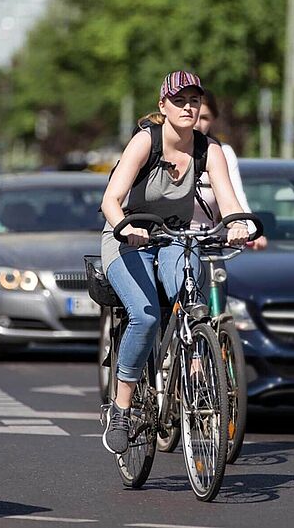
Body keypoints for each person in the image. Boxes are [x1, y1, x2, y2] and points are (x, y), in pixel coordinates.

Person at [99, 71, 249, 454]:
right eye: (179, 100)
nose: (188, 107)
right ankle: (121, 406)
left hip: (173, 239)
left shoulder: (208, 149)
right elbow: (110, 201)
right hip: (127, 238)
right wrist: (125, 228)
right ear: (162, 105)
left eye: (194, 100)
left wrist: (236, 224)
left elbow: (228, 201)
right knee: (145, 316)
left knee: (191, 302)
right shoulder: (144, 142)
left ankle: (192, 375)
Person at [192, 90, 267, 250]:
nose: (197, 124)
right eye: (193, 115)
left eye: (204, 118)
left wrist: (249, 230)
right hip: (166, 241)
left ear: (213, 120)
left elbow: (235, 198)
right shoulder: (160, 148)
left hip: (207, 242)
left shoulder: (221, 152)